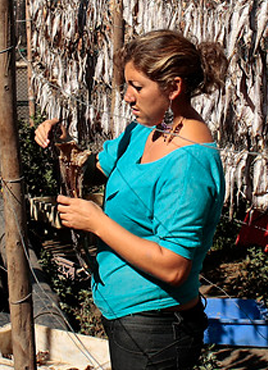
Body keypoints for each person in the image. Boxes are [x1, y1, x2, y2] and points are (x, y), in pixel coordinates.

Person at [34, 29, 228, 370]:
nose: (127, 97)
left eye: (137, 87)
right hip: (129, 318)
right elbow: (95, 164)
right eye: (127, 85)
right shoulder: (147, 129)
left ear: (173, 88)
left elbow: (174, 266)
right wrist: (64, 142)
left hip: (158, 329)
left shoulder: (189, 162)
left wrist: (97, 222)